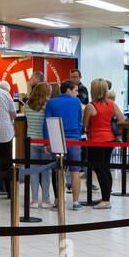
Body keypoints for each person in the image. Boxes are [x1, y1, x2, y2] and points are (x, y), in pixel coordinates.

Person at [81, 78, 124, 209]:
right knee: (105, 168)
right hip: (110, 139)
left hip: (96, 140)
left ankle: (106, 200)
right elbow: (121, 119)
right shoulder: (112, 104)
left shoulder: (90, 106)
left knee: (99, 169)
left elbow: (85, 124)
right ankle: (106, 197)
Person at [45, 79, 84, 208]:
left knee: (58, 171)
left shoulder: (51, 103)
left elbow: (47, 124)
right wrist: (77, 135)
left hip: (57, 139)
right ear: (68, 90)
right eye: (76, 90)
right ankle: (75, 202)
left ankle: (58, 200)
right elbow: (79, 121)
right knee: (75, 171)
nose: (77, 94)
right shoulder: (77, 102)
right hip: (73, 139)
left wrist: (47, 142)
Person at [24, 82, 55, 207]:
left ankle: (34, 200)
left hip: (31, 141)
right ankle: (45, 199)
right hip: (45, 142)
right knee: (46, 171)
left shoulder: (26, 105)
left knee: (33, 170)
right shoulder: (48, 105)